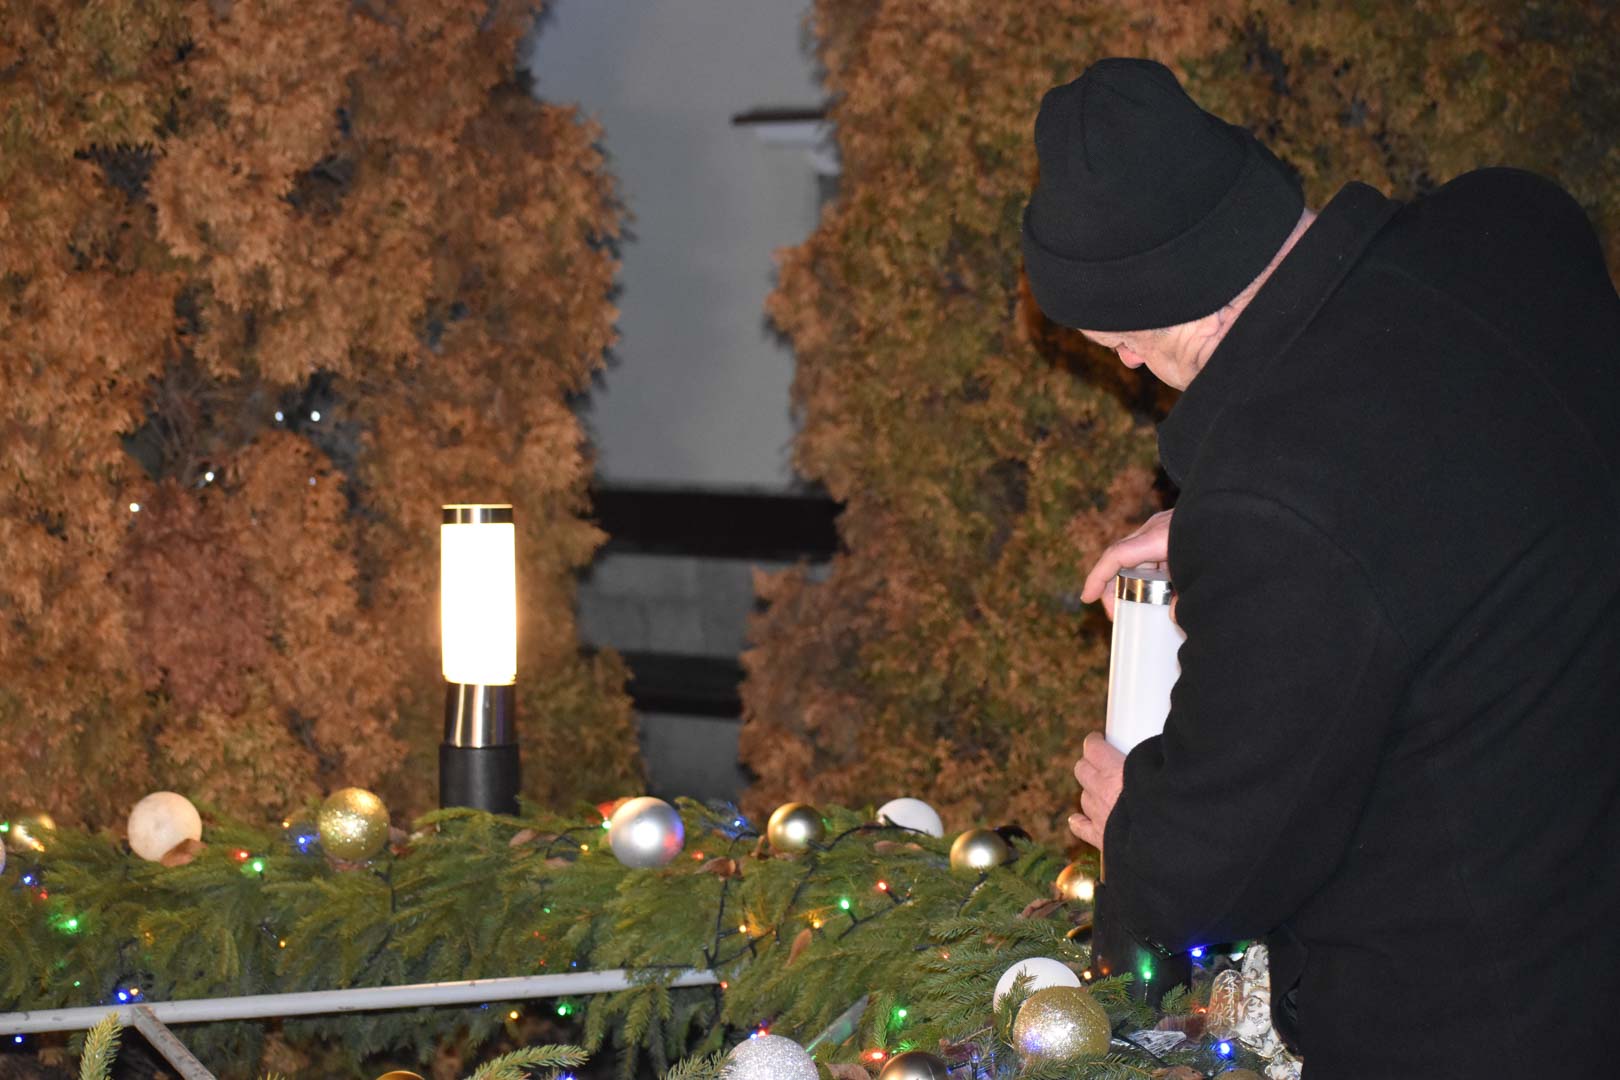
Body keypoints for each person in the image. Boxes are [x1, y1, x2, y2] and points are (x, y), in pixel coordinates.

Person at [1020, 58, 1620, 1079]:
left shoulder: (1277, 506)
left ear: (1143, 316)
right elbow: (1456, 444)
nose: (1126, 364)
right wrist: (1229, 521)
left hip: (1488, 1018)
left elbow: (1218, 868)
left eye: (1119, 342)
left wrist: (1135, 831)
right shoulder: (1512, 224)